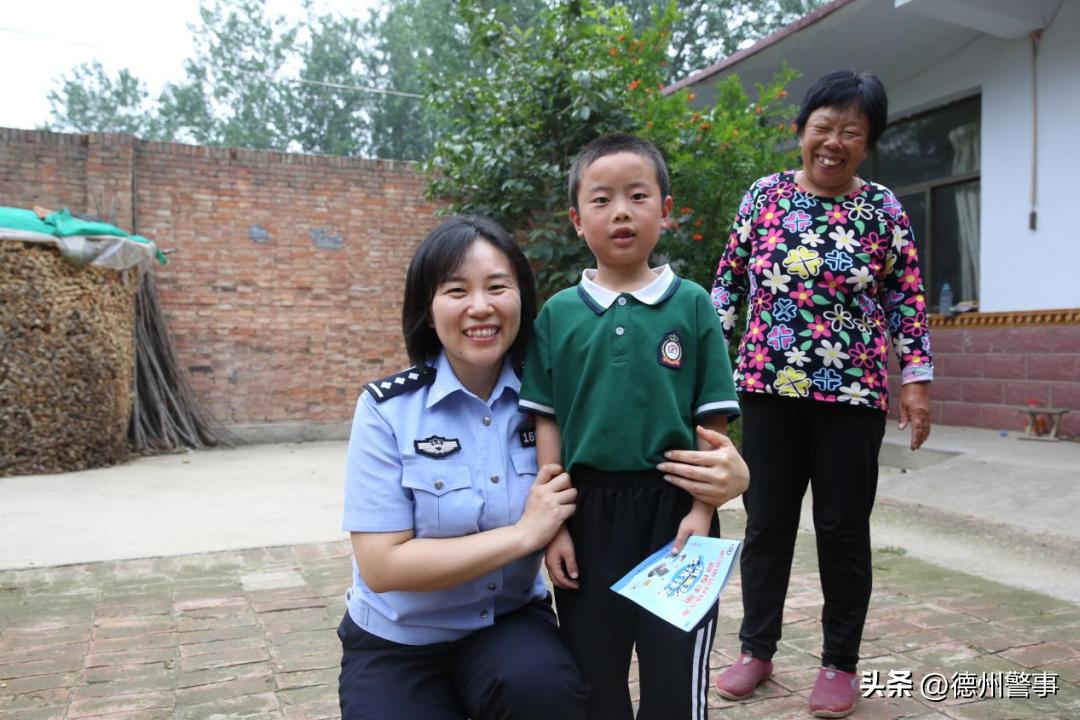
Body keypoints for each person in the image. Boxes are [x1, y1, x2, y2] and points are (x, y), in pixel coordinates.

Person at [710, 70, 933, 718]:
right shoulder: (764, 197)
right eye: (824, 127)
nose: (834, 142)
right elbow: (727, 287)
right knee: (767, 525)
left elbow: (906, 297)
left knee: (841, 531)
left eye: (852, 133)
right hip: (766, 386)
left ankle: (840, 663)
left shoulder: (883, 209)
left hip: (853, 396)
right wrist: (699, 369)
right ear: (801, 131)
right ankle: (756, 648)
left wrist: (914, 379)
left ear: (868, 144)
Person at [519, 133, 748, 720]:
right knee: (595, 675)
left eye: (638, 195)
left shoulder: (693, 304)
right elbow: (547, 422)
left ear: (665, 211)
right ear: (576, 219)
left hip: (675, 513)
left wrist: (701, 512)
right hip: (587, 516)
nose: (621, 211)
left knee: (675, 673)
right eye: (602, 199)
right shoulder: (557, 315)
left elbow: (712, 426)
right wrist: (554, 526)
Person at [337, 216, 588, 720]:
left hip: (508, 622)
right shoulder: (387, 410)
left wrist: (726, 479)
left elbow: (637, 457)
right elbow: (382, 566)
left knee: (548, 693)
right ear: (428, 311)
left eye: (498, 287)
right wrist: (523, 535)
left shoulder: (553, 404)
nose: (480, 307)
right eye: (456, 290)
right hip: (398, 639)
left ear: (522, 299)